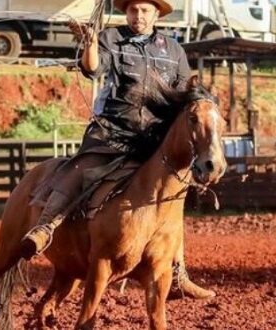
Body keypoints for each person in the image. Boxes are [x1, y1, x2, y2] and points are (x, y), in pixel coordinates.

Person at [20, 0, 215, 299]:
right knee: (81, 168)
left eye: (145, 10)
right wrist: (89, 46)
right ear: (126, 13)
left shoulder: (173, 49)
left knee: (173, 191)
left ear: (156, 14)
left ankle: (177, 271)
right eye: (133, 10)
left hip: (153, 136)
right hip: (112, 129)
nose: (138, 15)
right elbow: (93, 69)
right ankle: (46, 227)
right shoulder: (111, 39)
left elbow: (183, 92)